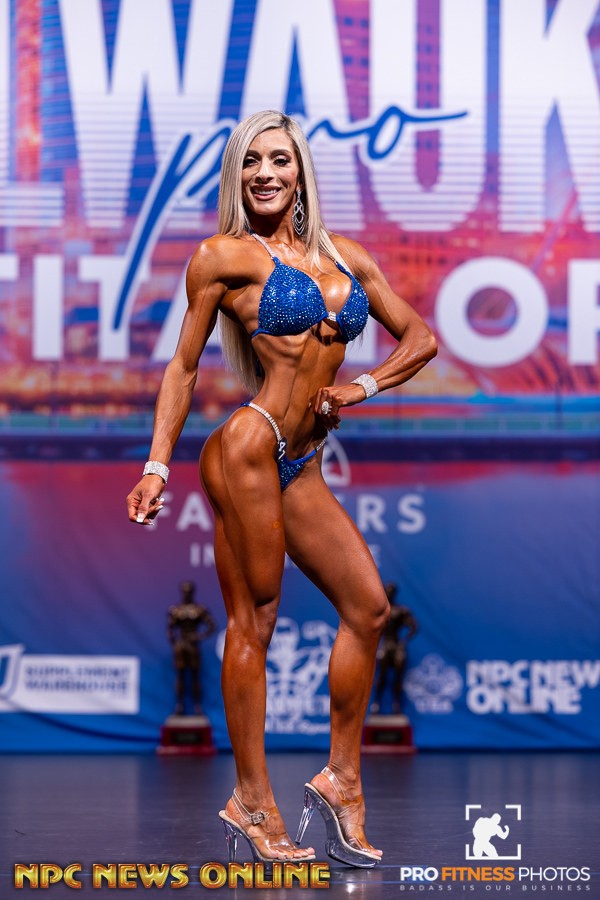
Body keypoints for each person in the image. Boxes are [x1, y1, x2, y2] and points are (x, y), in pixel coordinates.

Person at [126, 110, 437, 866]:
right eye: (250, 161)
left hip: (304, 460)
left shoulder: (346, 257)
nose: (265, 173)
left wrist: (362, 387)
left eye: (279, 160)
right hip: (249, 446)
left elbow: (421, 338)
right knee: (254, 621)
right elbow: (183, 367)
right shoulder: (221, 256)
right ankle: (252, 801)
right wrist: (157, 464)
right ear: (237, 176)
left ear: (300, 172)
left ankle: (341, 782)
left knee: (368, 607)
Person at [167, 581, 216, 715]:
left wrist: (199, 636)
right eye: (185, 591)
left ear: (192, 592)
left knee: (195, 677)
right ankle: (179, 705)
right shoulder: (176, 610)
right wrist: (174, 643)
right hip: (181, 645)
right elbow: (170, 630)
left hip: (193, 646)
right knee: (180, 677)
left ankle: (197, 706)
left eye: (189, 591)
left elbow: (212, 626)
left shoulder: (199, 609)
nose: (187, 594)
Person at [370, 583, 418, 715]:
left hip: (396, 645)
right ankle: (376, 703)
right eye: (387, 591)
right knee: (382, 676)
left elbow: (414, 627)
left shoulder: (401, 610)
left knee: (398, 678)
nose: (389, 593)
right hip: (385, 644)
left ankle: (397, 705)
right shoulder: (377, 611)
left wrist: (404, 641)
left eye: (391, 591)